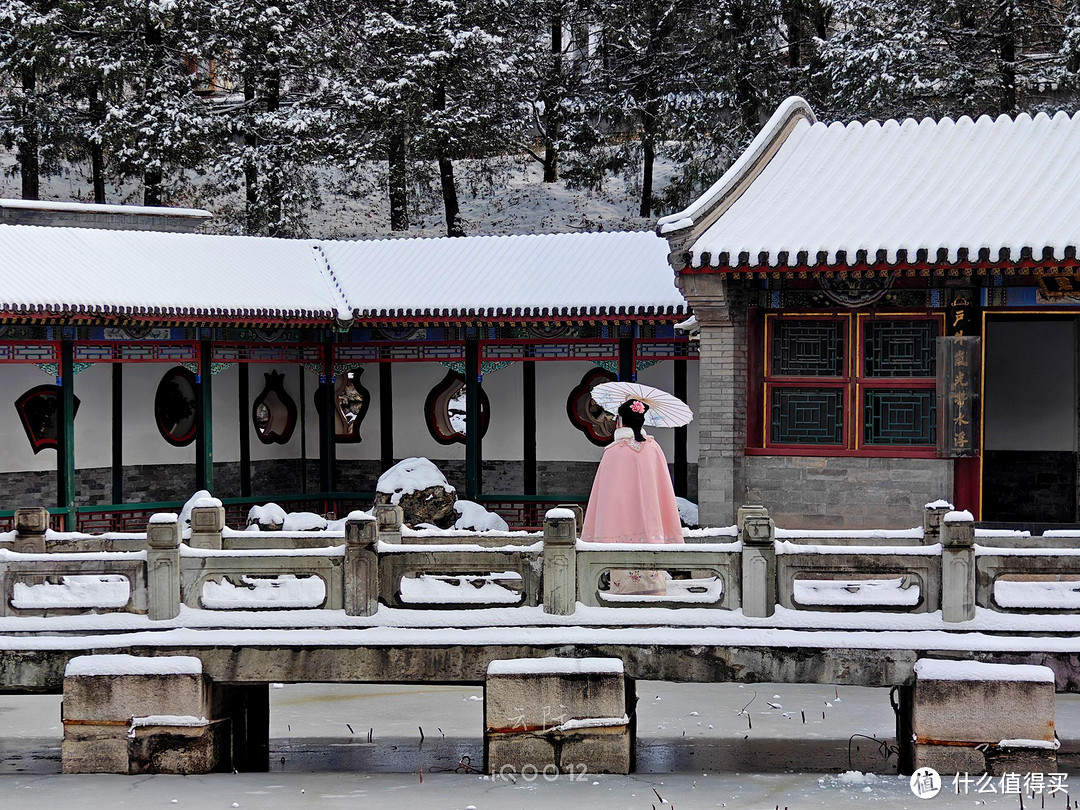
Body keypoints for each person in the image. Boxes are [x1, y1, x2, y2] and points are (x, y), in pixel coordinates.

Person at [580, 398, 684, 595]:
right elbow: (663, 490)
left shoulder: (613, 452)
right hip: (651, 525)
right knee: (653, 590)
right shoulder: (654, 449)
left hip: (620, 525)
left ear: (621, 421)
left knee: (622, 591)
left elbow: (604, 495)